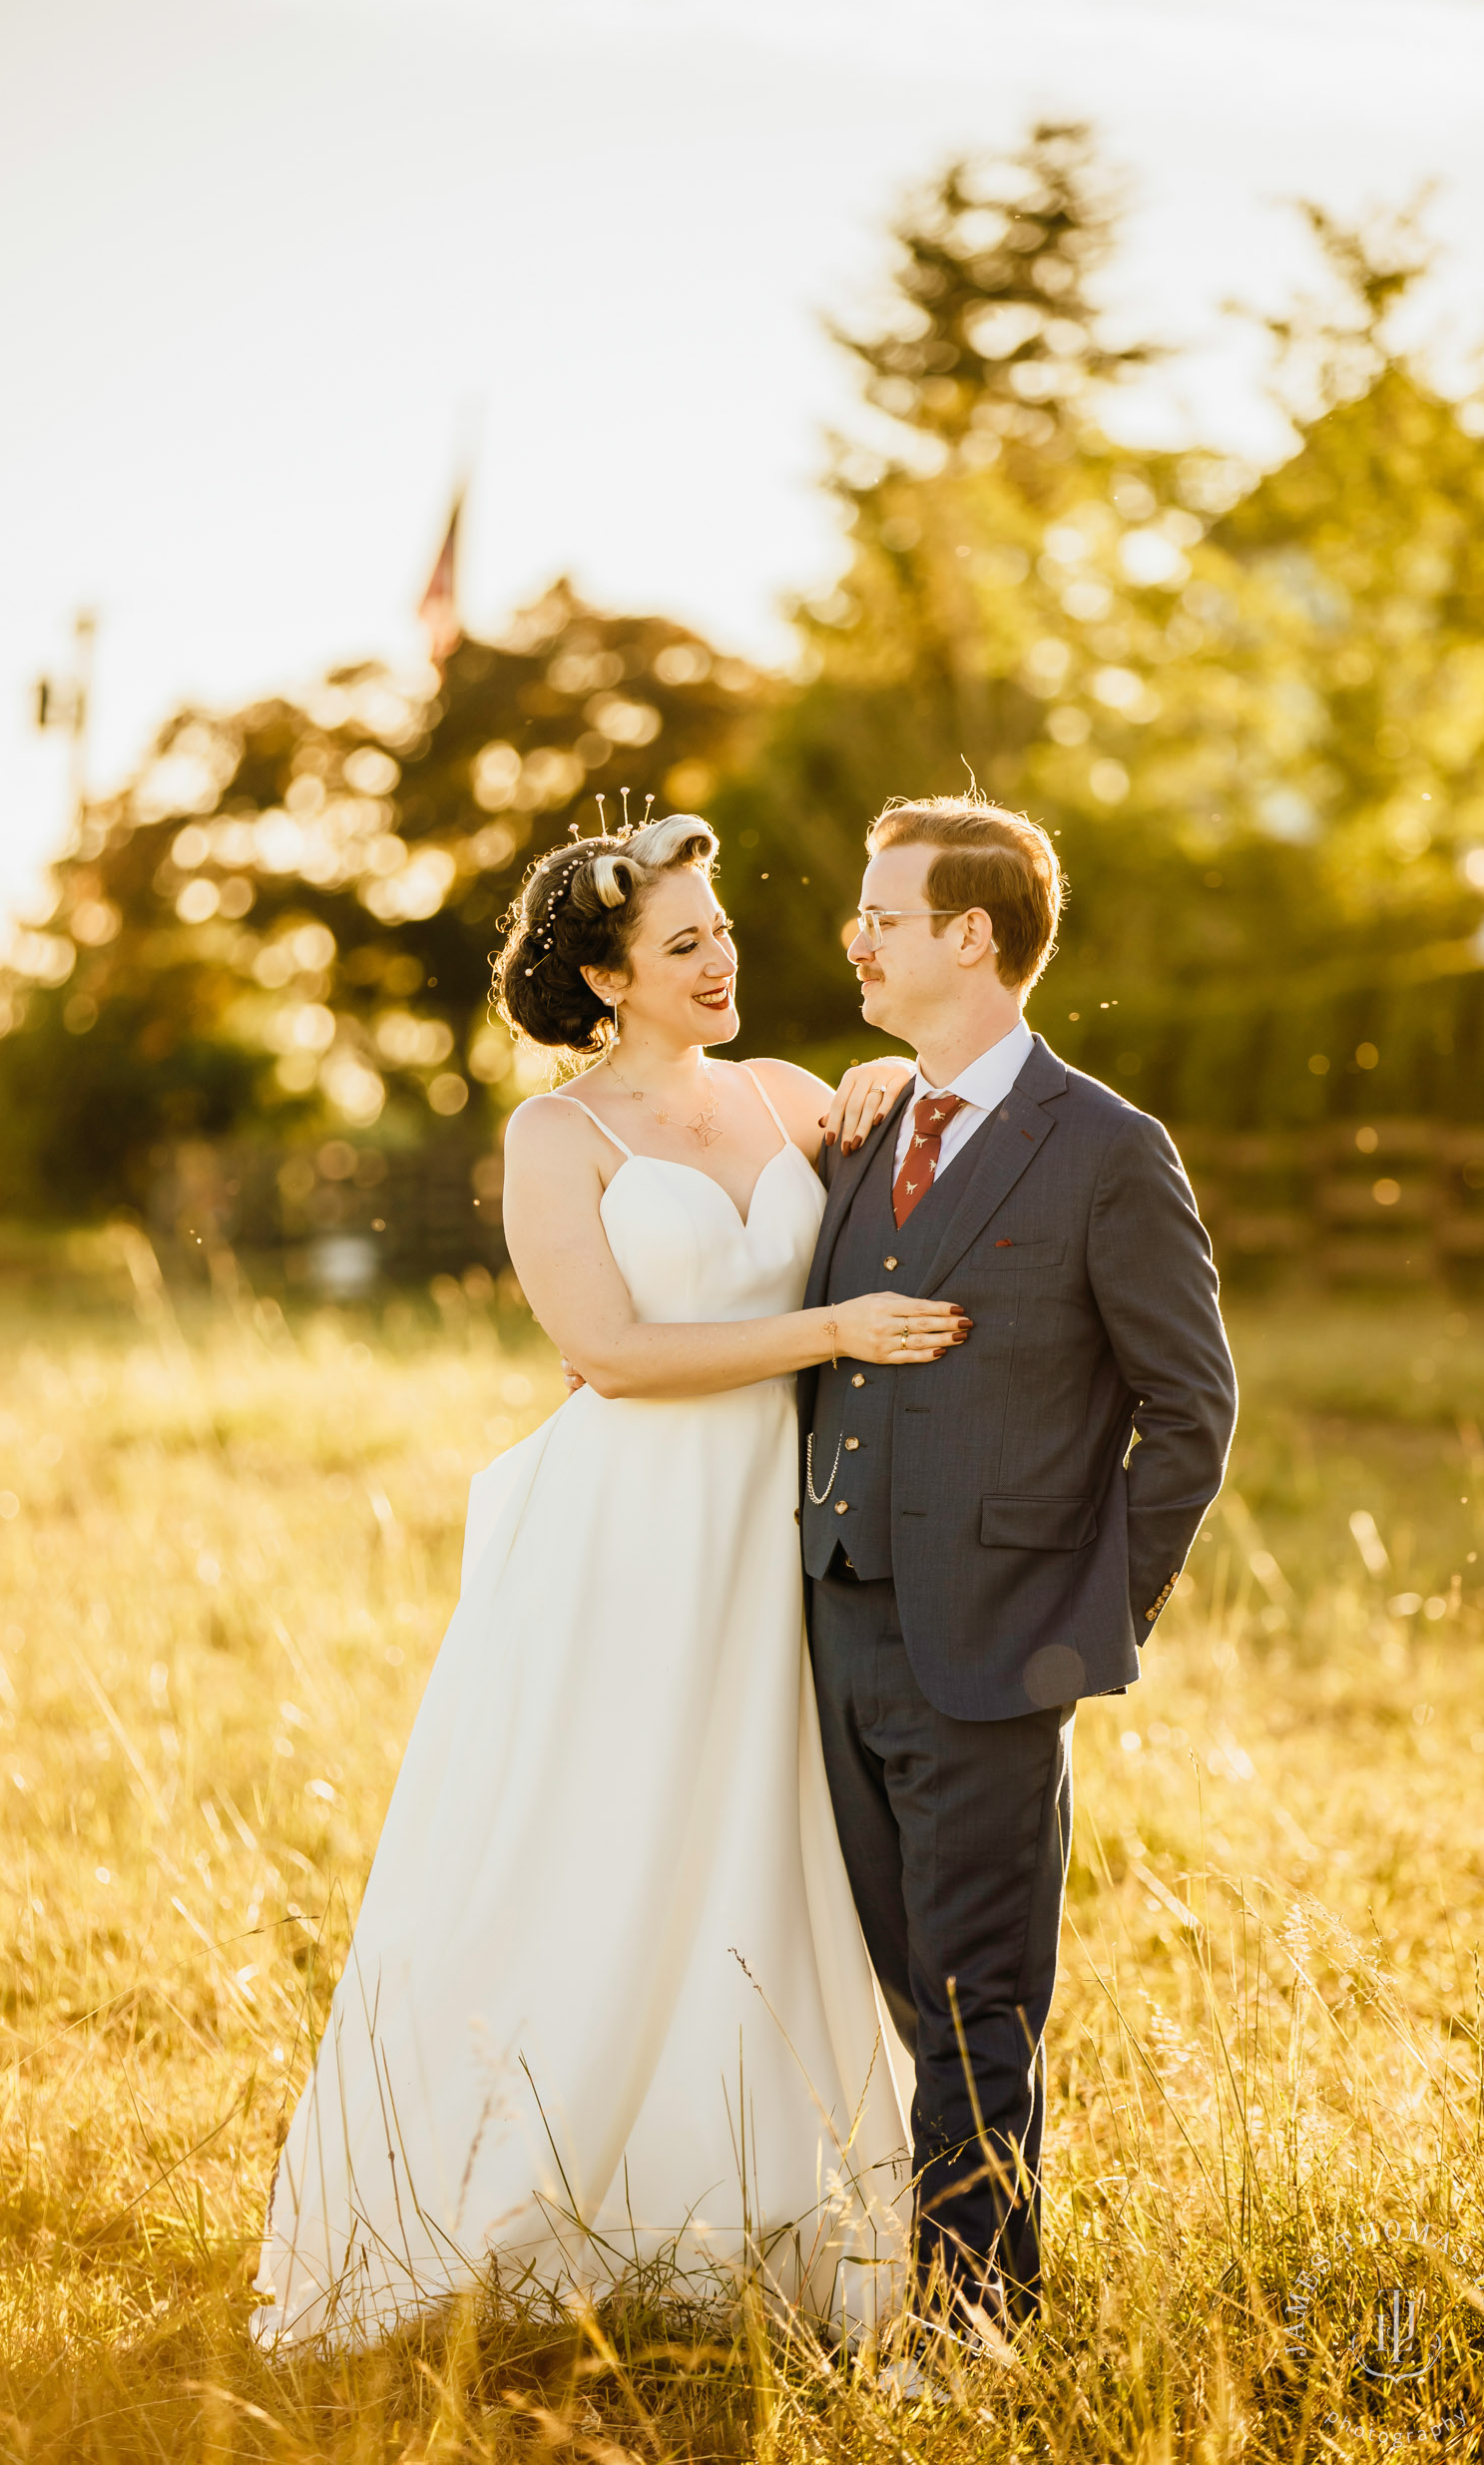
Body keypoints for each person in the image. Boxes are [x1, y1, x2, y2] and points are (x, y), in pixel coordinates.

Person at [252, 810, 966, 2350]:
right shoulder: (555, 1138)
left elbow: (912, 1137)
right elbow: (614, 1355)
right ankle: (537, 2189)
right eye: (684, 944)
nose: (723, 963)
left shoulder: (789, 1096)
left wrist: (894, 1077)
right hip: (626, 1538)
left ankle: (754, 2194)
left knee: (764, 1842)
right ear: (605, 973)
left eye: (722, 934)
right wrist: (832, 1337)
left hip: (770, 1540)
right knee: (607, 1835)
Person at [800, 795, 1237, 2335]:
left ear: (971, 937)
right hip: (832, 1630)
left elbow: (1193, 1409)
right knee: (897, 1990)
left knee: (982, 2005)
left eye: (886, 917)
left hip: (1000, 1649)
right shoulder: (863, 1126)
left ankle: (977, 2322)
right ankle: (888, 2274)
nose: (856, 937)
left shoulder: (1109, 1148)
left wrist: (1087, 1614)